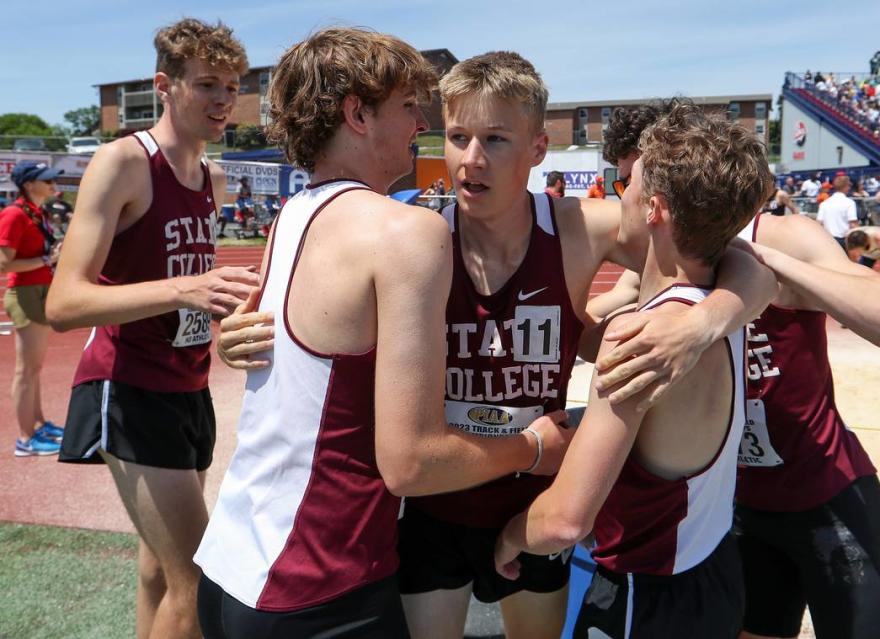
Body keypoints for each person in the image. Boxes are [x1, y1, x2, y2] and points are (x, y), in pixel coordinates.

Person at [218, 56, 772, 639]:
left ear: (537, 149)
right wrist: (246, 334)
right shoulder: (405, 233)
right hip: (435, 504)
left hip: (532, 502)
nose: (471, 159)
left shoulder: (582, 227)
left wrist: (707, 318)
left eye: (496, 140)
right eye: (458, 138)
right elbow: (293, 308)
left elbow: (729, 253)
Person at [192, 30, 573, 639]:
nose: (419, 120)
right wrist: (535, 446)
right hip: (320, 581)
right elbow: (412, 465)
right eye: (405, 105)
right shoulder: (405, 231)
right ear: (357, 114)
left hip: (230, 571)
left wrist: (225, 341)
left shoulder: (293, 215)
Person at [596, 140, 880, 639]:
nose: (632, 205)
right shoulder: (661, 260)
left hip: (826, 494)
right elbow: (591, 321)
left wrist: (766, 262)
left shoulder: (781, 235)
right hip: (738, 507)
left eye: (635, 187)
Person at [494, 103, 774, 639]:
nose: (617, 191)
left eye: (628, 182)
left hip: (647, 594)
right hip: (713, 570)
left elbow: (565, 521)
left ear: (655, 209)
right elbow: (753, 267)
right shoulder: (719, 304)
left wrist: (508, 537)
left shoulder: (644, 342)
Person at [47, 19, 260, 639]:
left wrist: (225, 311)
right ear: (165, 85)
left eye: (231, 86)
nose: (223, 99)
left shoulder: (212, 178)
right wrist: (185, 288)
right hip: (128, 386)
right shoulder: (123, 163)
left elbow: (189, 291)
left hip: (188, 385)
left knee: (157, 574)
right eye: (207, 85)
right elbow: (64, 302)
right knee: (197, 582)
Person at [0, 161, 65, 456]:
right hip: (25, 293)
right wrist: (46, 260)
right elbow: (4, 262)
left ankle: (38, 423)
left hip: (37, 291)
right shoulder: (13, 214)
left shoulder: (34, 212)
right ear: (28, 184)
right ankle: (26, 439)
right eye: (46, 179)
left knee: (35, 368)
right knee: (26, 370)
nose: (52, 184)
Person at [817, 174, 858, 246]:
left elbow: (819, 223)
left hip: (827, 240)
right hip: (843, 241)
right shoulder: (849, 203)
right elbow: (853, 224)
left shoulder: (824, 204)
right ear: (846, 187)